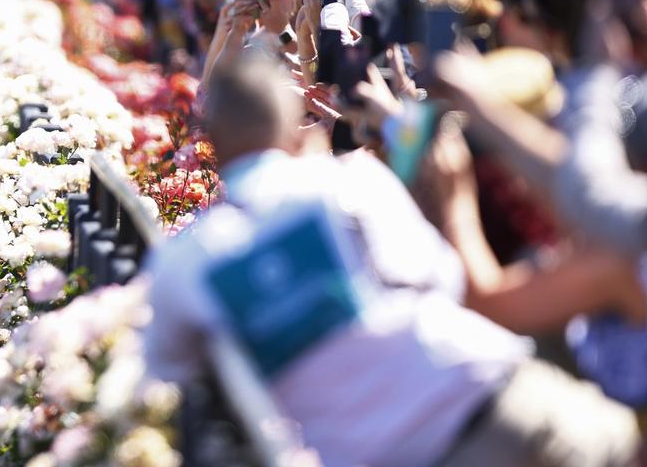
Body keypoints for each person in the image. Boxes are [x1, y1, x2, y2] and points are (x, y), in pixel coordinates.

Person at [144, 57, 641, 467]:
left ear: (215, 145)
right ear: (294, 132)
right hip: (497, 398)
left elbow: (169, 373)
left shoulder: (183, 264)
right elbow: (444, 279)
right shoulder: (350, 182)